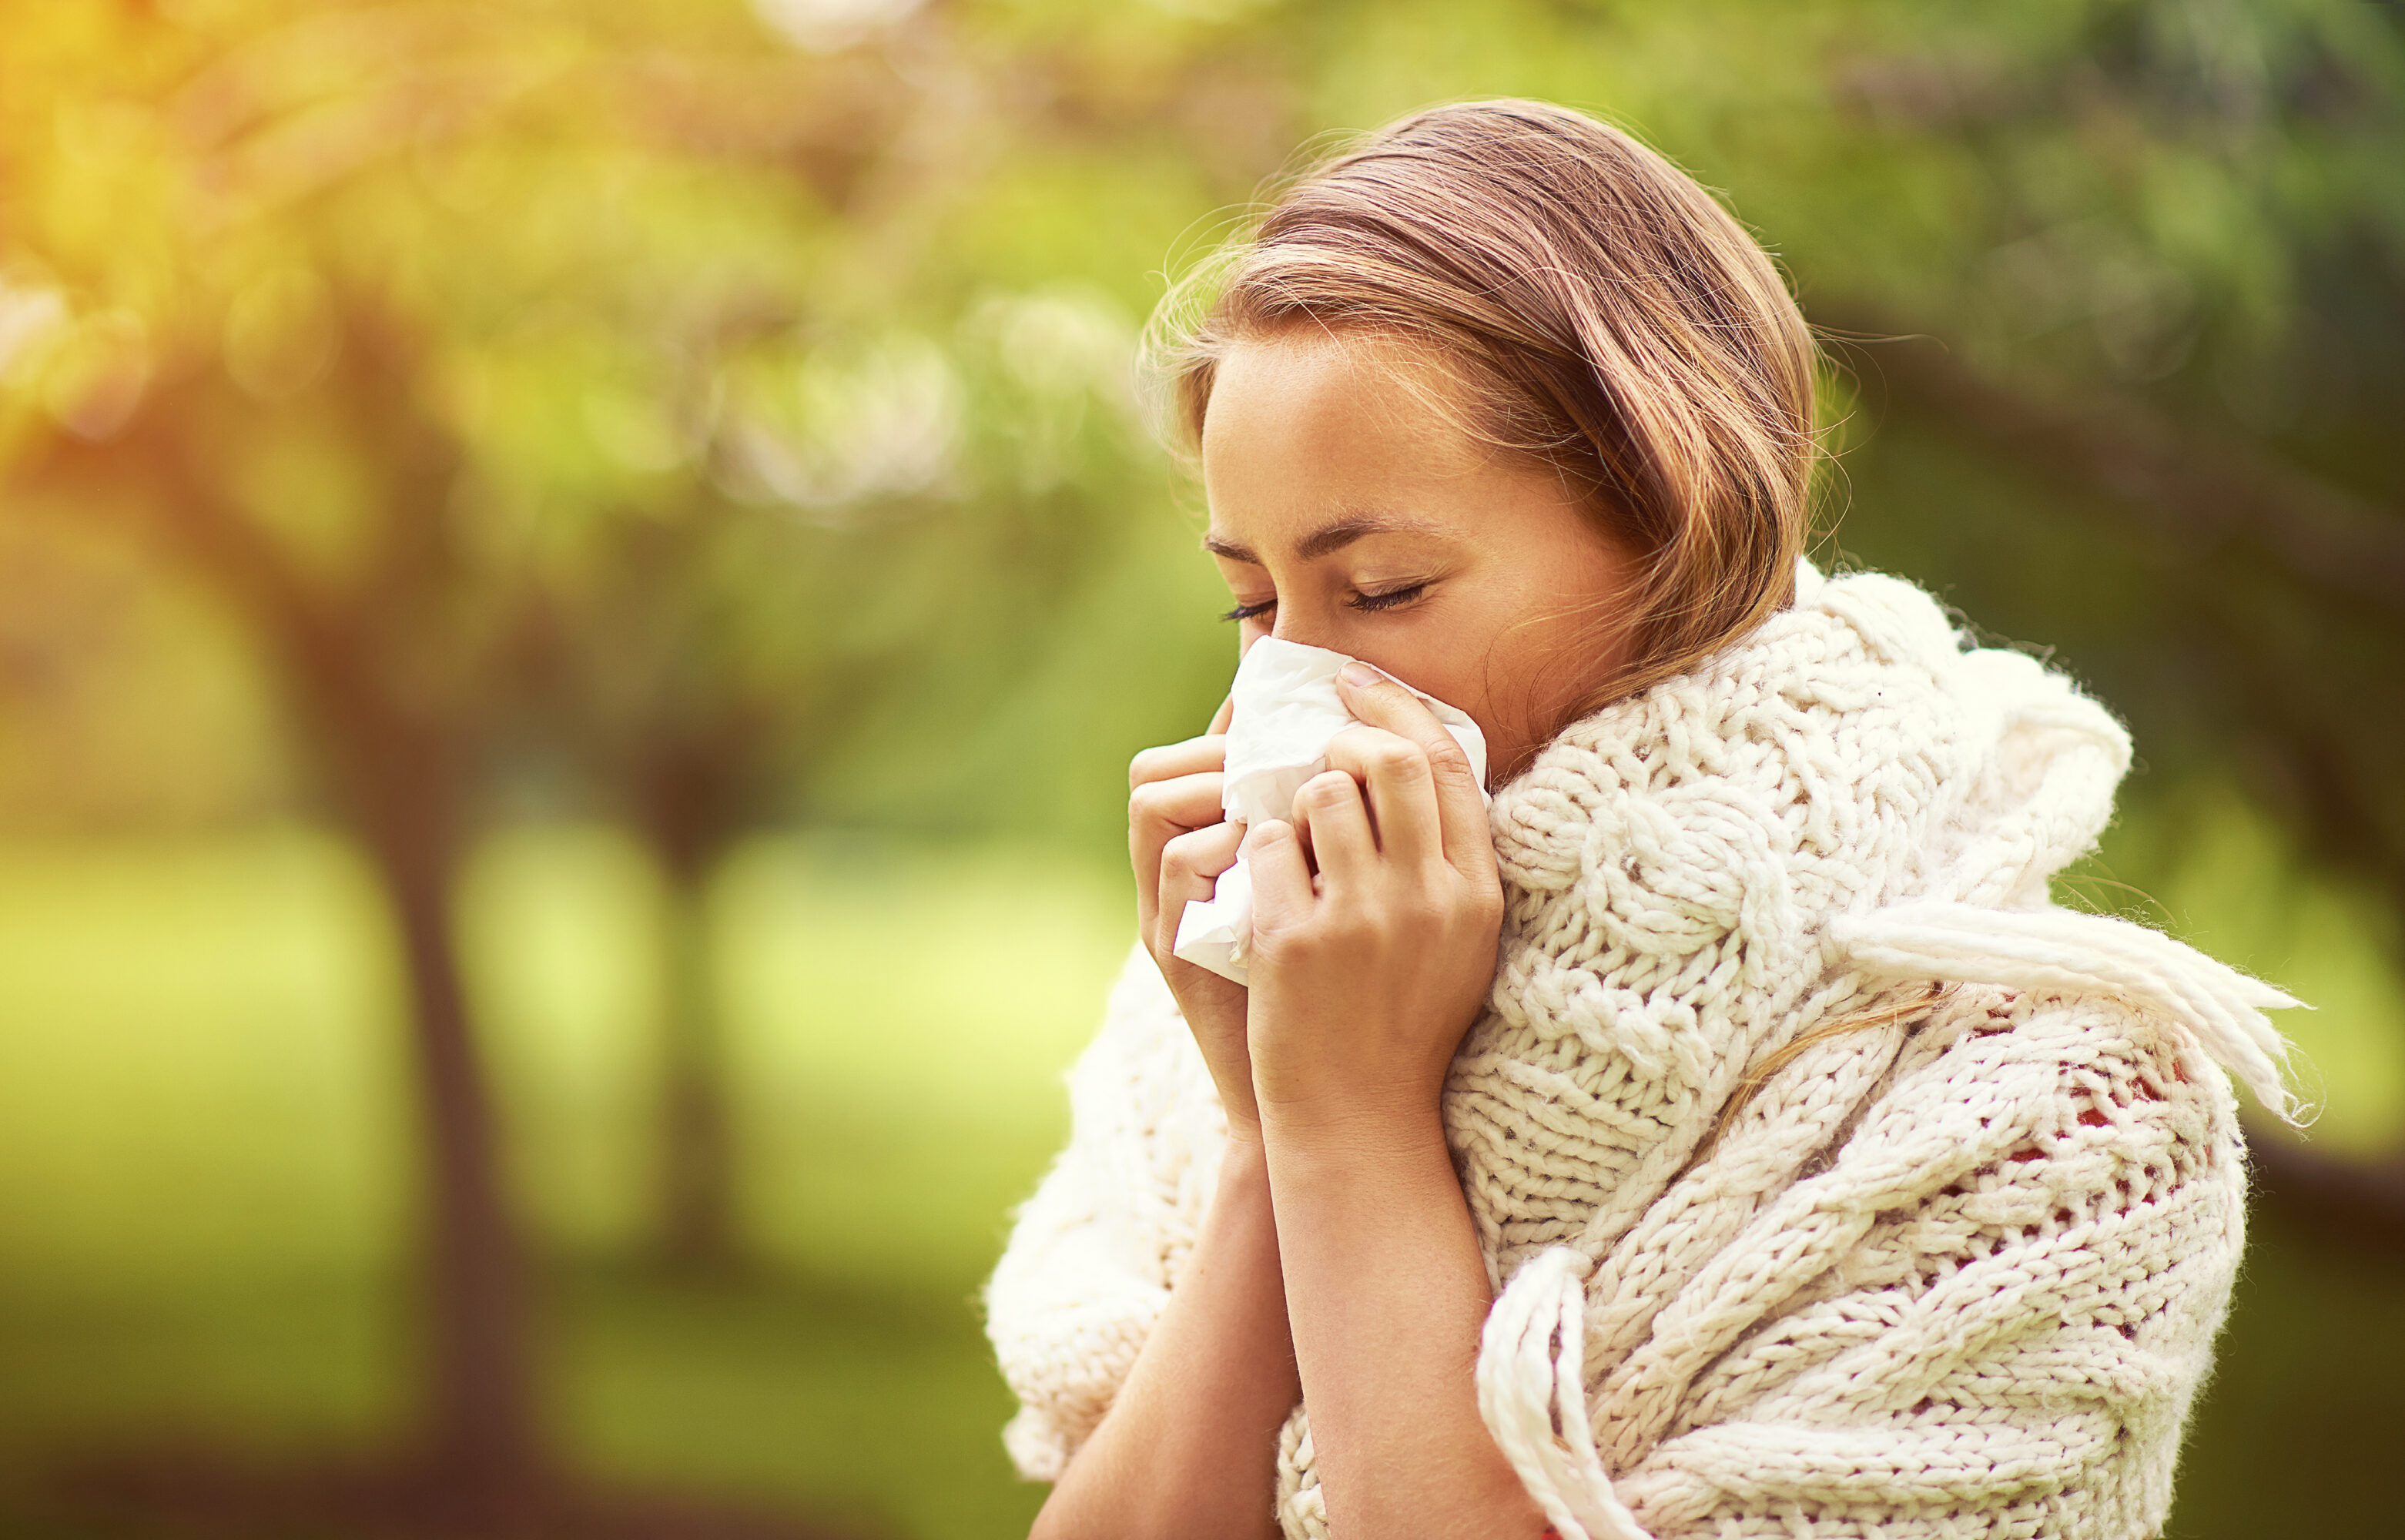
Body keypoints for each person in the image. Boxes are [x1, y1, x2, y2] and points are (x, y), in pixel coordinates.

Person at [984, 99, 2298, 1540]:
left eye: (1382, 591)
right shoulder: (1250, 993)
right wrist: (1267, 1132)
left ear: (1678, 528)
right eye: (1254, 601)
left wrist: (1360, 1135)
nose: (1295, 685)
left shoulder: (2051, 1108)